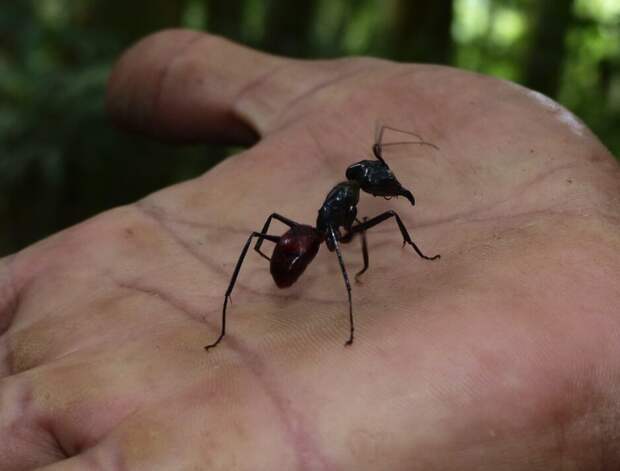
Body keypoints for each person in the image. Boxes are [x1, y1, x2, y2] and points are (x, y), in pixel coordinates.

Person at [1, 29, 619, 470]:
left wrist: (389, 202)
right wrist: (346, 288)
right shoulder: (333, 214)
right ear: (358, 182)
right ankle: (234, 318)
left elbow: (363, 213)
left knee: (355, 233)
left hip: (312, 238)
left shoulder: (353, 195)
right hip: (300, 248)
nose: (380, 182)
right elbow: (338, 237)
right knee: (294, 239)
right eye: (375, 178)